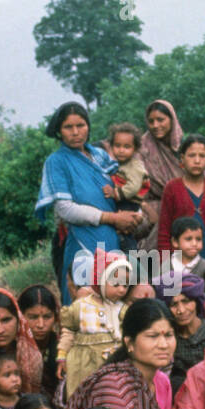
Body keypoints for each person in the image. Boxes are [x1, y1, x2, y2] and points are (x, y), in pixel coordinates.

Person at [35, 102, 134, 303]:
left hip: (112, 238)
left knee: (115, 299)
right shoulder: (56, 161)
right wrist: (112, 218)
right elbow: (65, 209)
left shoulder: (100, 156)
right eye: (68, 127)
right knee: (85, 300)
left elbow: (122, 185)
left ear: (88, 126)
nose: (75, 132)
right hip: (83, 240)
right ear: (59, 131)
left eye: (80, 125)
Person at [55, 298, 176, 409]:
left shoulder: (161, 381)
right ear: (129, 343)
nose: (163, 344)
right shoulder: (113, 384)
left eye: (169, 335)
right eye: (152, 336)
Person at [58, 251, 131, 396]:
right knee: (82, 397)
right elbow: (69, 331)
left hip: (113, 363)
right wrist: (62, 355)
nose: (122, 289)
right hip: (83, 364)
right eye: (116, 284)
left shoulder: (122, 310)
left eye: (125, 285)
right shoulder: (82, 306)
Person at [156, 133, 205, 275]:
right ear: (182, 159)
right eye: (191, 155)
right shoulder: (172, 188)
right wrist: (166, 265)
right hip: (180, 258)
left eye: (202, 156)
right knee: (184, 294)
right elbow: (164, 230)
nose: (197, 161)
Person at [138, 100, 187, 251]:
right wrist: (148, 209)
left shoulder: (186, 146)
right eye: (151, 121)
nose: (155, 125)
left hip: (185, 205)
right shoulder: (142, 148)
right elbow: (132, 186)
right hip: (152, 208)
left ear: (172, 119)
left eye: (160, 120)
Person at [102, 122, 149, 252]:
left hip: (129, 203)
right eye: (117, 146)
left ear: (135, 149)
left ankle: (130, 254)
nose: (121, 150)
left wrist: (115, 193)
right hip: (123, 202)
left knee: (125, 230)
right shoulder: (117, 164)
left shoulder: (135, 166)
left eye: (127, 147)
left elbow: (133, 187)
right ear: (111, 146)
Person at [167, 215, 205, 312]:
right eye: (188, 239)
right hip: (174, 315)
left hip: (199, 316)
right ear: (175, 242)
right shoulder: (167, 267)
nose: (194, 243)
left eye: (198, 239)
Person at [165, 273, 205, 396]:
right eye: (174, 305)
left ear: (197, 302)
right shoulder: (169, 338)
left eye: (186, 301)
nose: (181, 310)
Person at [18, 284, 61, 399]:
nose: (41, 325)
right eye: (33, 317)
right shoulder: (13, 349)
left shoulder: (62, 348)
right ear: (21, 317)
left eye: (47, 317)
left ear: (56, 317)